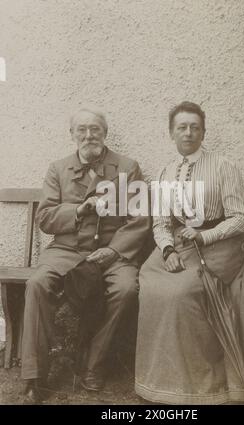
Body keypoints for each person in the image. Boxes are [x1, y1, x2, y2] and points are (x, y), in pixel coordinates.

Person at [135, 101, 244, 404]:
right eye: (182, 127)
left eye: (195, 126)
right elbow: (161, 222)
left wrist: (204, 235)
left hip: (221, 246)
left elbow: (240, 218)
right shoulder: (166, 172)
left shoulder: (223, 166)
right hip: (181, 245)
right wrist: (167, 251)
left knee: (182, 292)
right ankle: (164, 382)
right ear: (171, 133)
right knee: (152, 285)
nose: (188, 132)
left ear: (203, 131)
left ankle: (202, 384)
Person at [21, 106, 151, 403]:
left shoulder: (128, 168)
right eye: (82, 129)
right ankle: (34, 375)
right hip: (66, 250)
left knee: (127, 289)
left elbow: (139, 219)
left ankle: (94, 364)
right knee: (37, 284)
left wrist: (113, 250)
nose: (89, 135)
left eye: (95, 129)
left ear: (105, 133)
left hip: (112, 252)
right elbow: (45, 218)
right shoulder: (58, 169)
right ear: (72, 135)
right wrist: (77, 210)